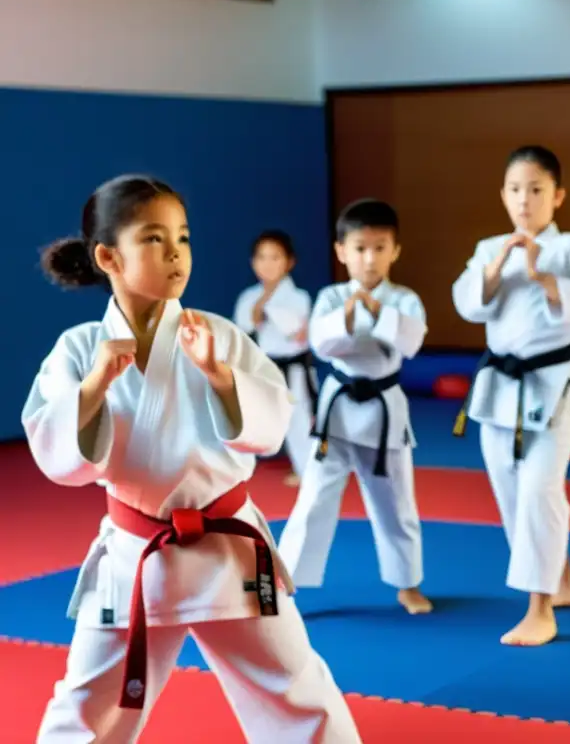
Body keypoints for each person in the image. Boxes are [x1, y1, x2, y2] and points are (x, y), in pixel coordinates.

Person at [23, 175, 363, 743]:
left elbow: (272, 424)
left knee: (296, 689)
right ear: (108, 256)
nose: (176, 252)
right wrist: (94, 386)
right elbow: (58, 455)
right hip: (137, 555)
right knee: (88, 705)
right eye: (154, 239)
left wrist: (218, 376)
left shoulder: (218, 336)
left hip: (230, 551)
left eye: (182, 237)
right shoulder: (81, 349)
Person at [451, 145, 570, 647]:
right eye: (516, 190)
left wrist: (546, 276)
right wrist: (495, 272)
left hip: (554, 385)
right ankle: (561, 582)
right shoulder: (487, 250)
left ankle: (539, 609)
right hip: (500, 389)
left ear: (557, 196)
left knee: (540, 488)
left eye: (536, 189)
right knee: (511, 494)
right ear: (503, 195)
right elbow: (466, 304)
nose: (525, 200)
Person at [276, 199, 432, 615]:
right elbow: (322, 345)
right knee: (312, 499)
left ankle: (407, 584)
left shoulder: (405, 300)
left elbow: (411, 342)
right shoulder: (331, 298)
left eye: (380, 248)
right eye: (360, 248)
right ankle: (287, 583)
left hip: (385, 414)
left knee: (396, 504)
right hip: (337, 414)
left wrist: (378, 312)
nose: (370, 258)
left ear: (395, 250)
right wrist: (348, 316)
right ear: (341, 251)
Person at [233, 230, 318, 487]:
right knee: (243, 419)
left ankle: (309, 473)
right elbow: (244, 329)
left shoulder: (299, 297)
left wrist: (270, 310)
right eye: (262, 258)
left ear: (289, 262)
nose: (267, 264)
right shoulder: (248, 297)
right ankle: (231, 473)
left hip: (292, 370)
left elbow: (299, 334)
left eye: (275, 258)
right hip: (261, 368)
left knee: (298, 421)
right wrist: (259, 307)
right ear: (253, 263)